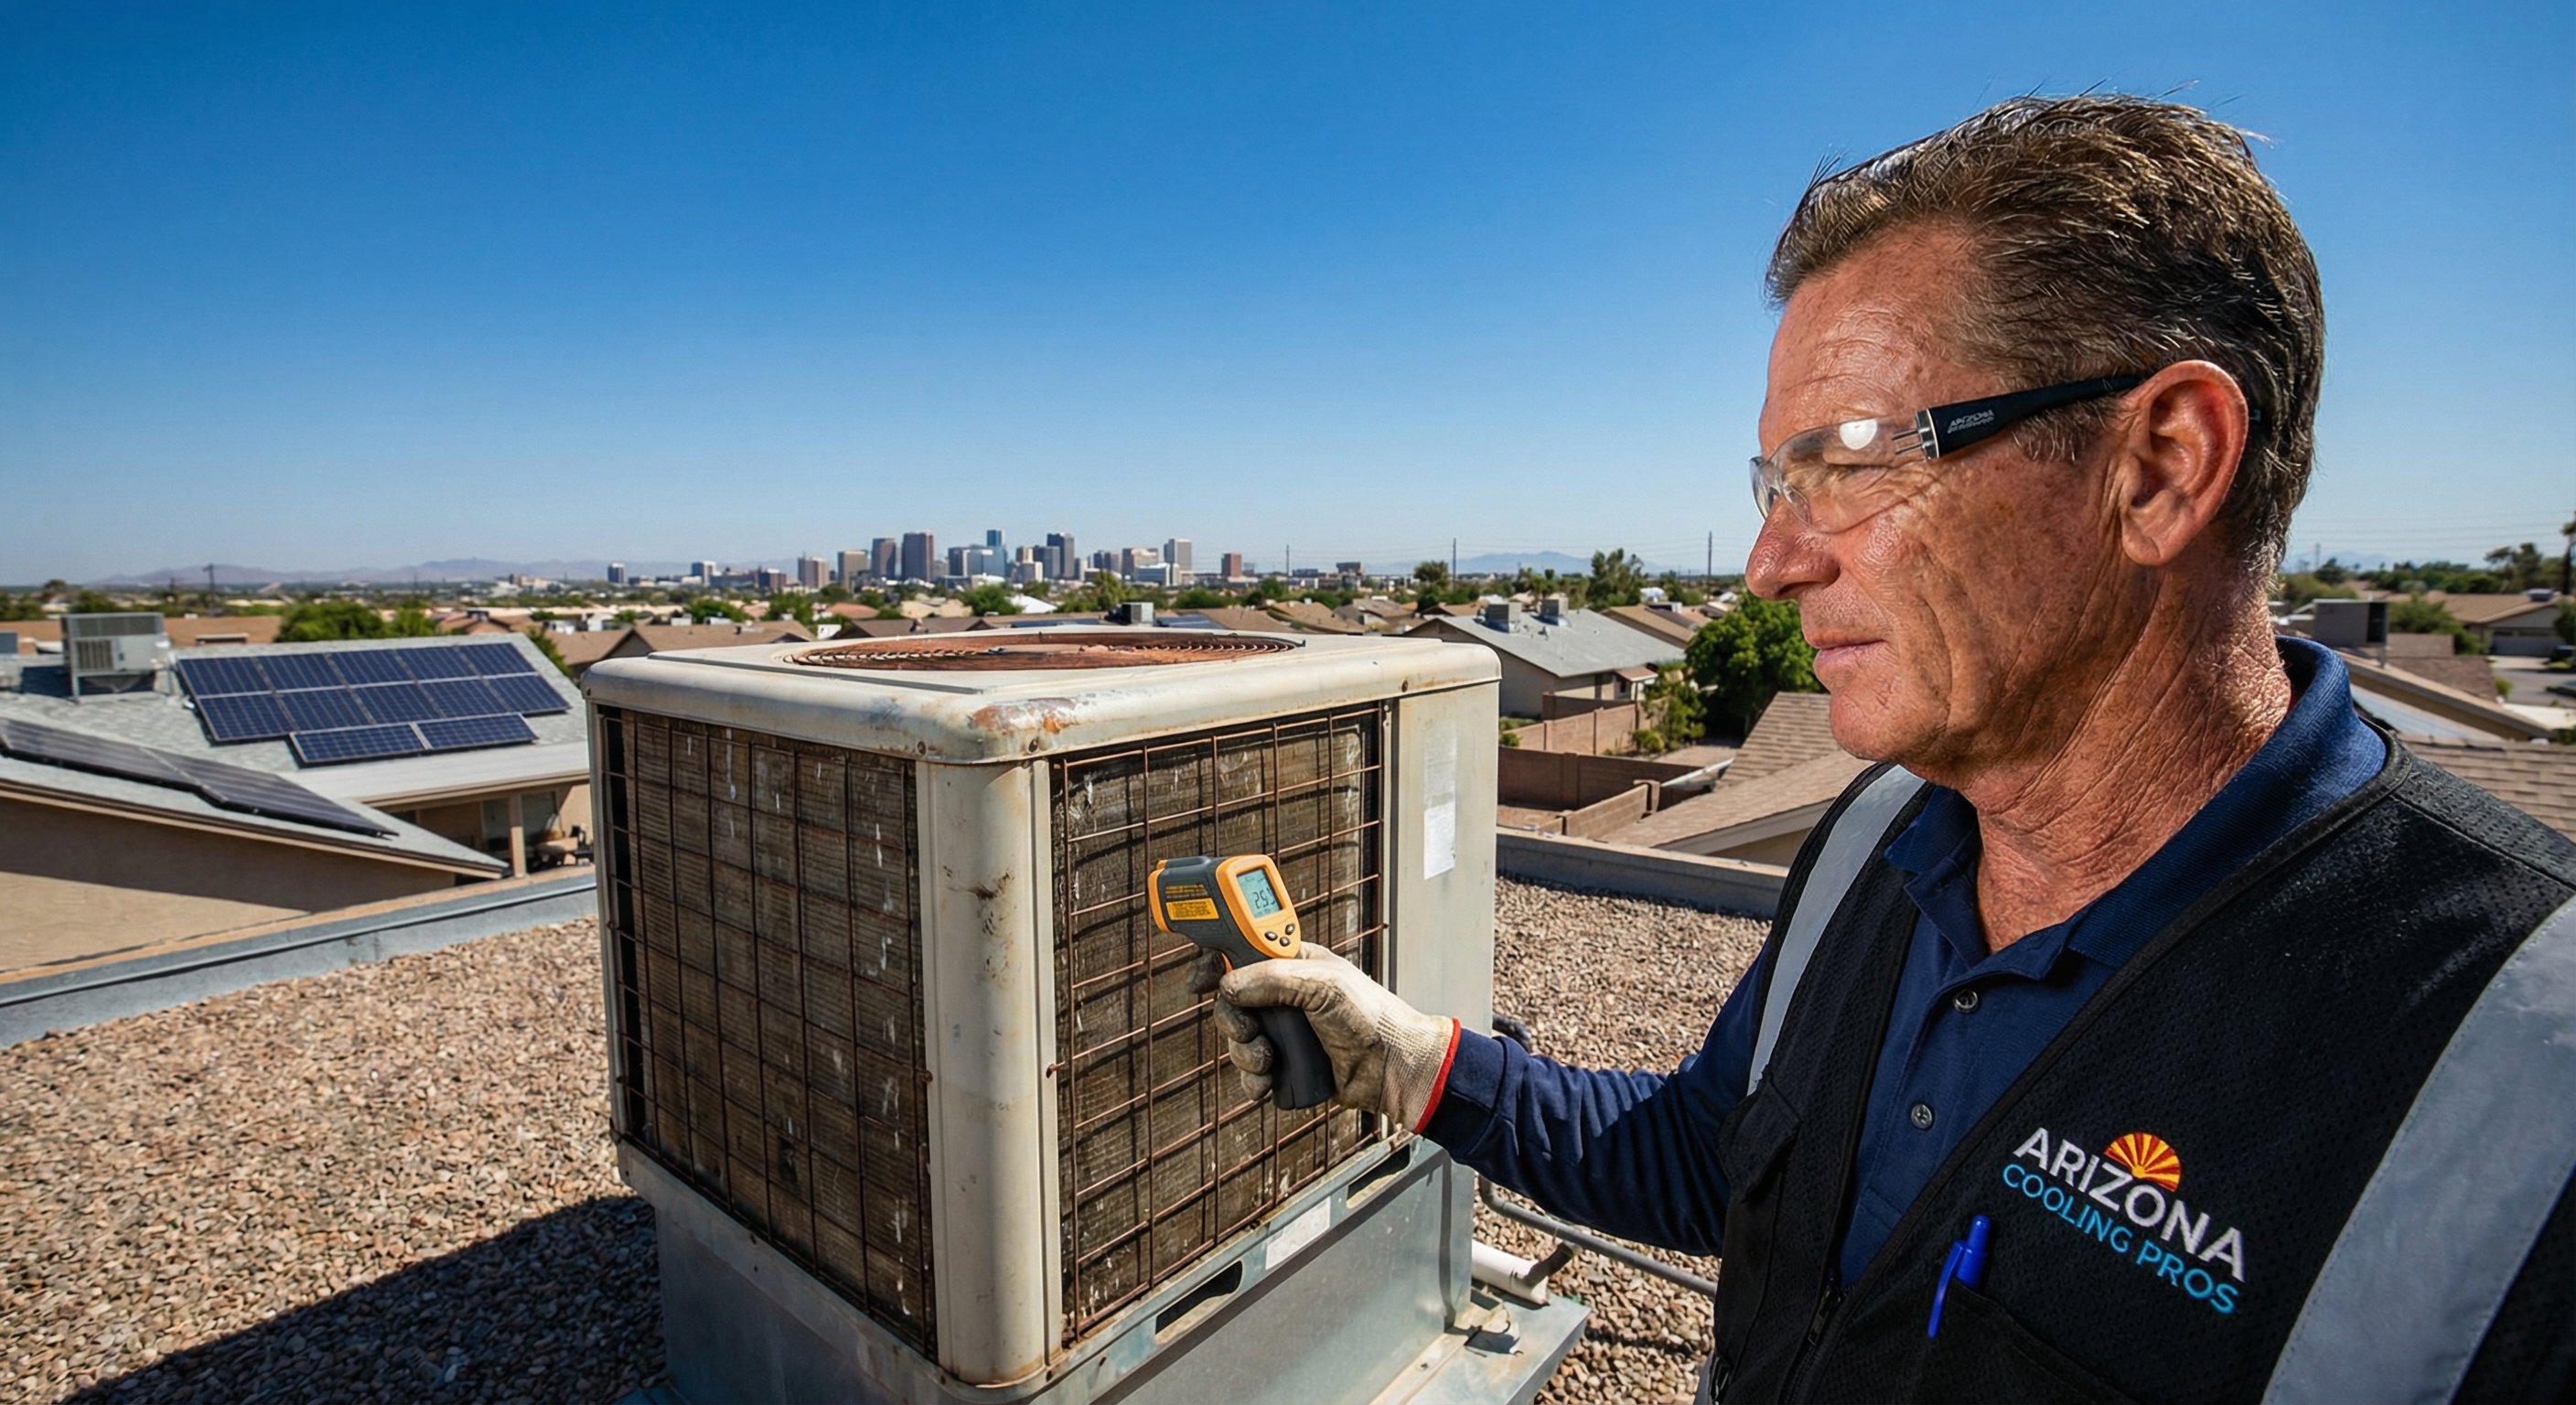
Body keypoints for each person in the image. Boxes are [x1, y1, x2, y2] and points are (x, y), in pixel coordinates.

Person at [1197, 95, 2576, 1402]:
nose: (1768, 564)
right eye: (1775, 482)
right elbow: (1712, 1161)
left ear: (2159, 466)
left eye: (1853, 460)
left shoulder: (2520, 1068)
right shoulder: (1880, 834)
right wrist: (1411, 1061)